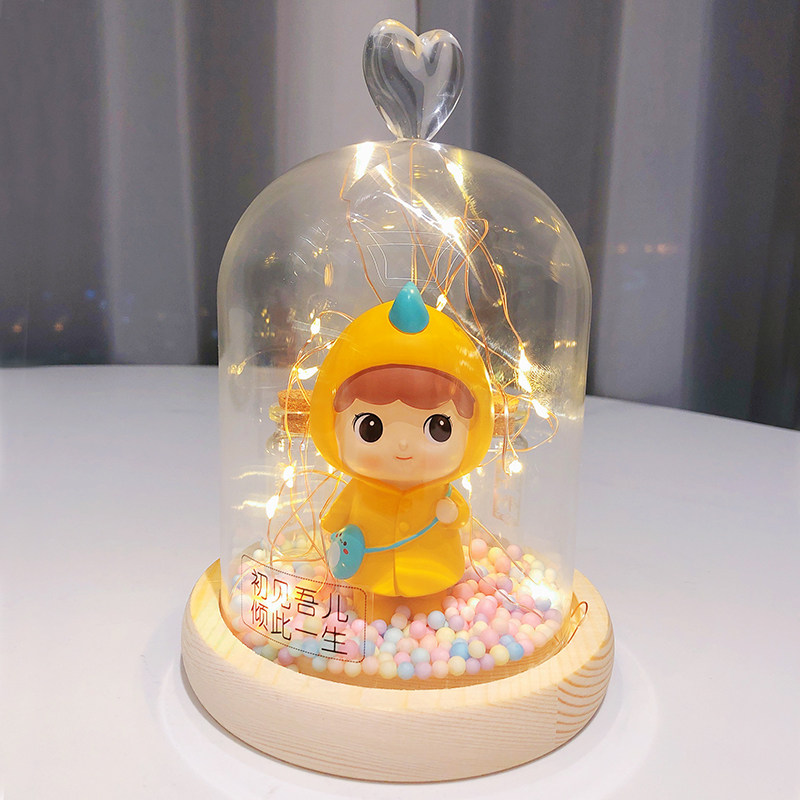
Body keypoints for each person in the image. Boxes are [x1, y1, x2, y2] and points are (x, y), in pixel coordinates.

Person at [309, 282, 493, 597]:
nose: (403, 446)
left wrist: (453, 513)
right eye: (370, 428)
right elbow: (334, 521)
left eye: (438, 428)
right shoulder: (360, 490)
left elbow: (458, 513)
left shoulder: (440, 490)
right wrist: (333, 532)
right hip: (371, 574)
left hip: (432, 568)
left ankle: (430, 600)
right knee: (371, 601)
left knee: (432, 600)